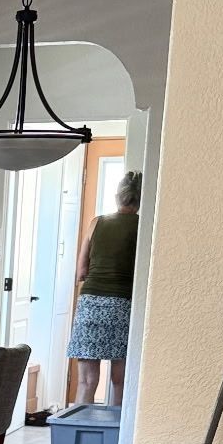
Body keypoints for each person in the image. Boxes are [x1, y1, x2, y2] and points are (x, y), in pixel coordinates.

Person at [66, 169, 140, 405]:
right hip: (123, 303)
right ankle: (116, 438)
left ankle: (80, 436)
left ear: (118, 196)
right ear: (140, 199)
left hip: (91, 304)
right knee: (120, 380)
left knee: (86, 381)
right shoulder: (142, 226)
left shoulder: (97, 222)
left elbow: (81, 272)